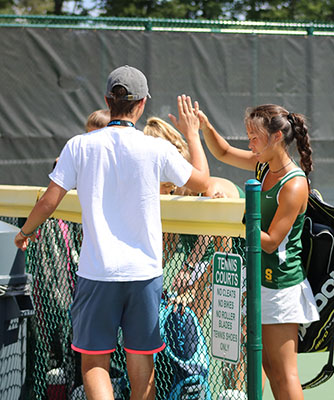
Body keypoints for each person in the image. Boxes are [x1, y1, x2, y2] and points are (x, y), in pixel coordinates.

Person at [14, 65, 210, 400]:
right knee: (141, 363)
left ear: (108, 100)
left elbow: (49, 200)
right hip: (145, 274)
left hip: (97, 273)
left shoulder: (79, 145)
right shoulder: (156, 149)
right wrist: (193, 134)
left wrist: (25, 233)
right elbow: (204, 182)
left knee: (94, 363)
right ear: (142, 103)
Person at [197, 104, 319, 399]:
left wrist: (232, 210)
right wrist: (203, 126)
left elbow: (272, 240)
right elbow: (224, 152)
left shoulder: (294, 184)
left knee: (285, 372)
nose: (250, 143)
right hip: (259, 281)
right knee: (267, 365)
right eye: (249, 136)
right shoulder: (263, 166)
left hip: (280, 284)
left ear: (277, 136)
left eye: (255, 137)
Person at [142, 116, 247, 397]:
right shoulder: (167, 195)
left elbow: (224, 260)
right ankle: (194, 388)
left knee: (237, 337)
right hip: (212, 264)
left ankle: (235, 391)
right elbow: (166, 248)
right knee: (190, 324)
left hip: (244, 259)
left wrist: (193, 286)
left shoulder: (207, 190)